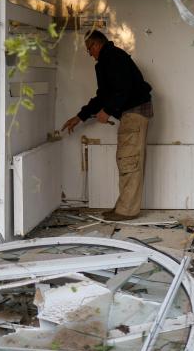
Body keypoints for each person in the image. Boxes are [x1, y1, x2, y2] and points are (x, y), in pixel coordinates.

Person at [62, 30, 153, 220]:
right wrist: (80, 116)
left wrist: (108, 110)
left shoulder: (112, 58)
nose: (90, 55)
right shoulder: (108, 60)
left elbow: (124, 89)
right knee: (126, 159)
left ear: (96, 45)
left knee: (129, 160)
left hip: (134, 113)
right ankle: (123, 206)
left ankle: (127, 210)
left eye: (89, 50)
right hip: (132, 112)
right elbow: (103, 95)